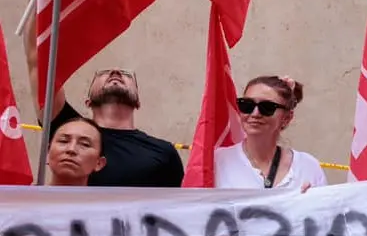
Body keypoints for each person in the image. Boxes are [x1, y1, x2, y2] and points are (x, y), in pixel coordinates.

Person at [26, 23, 184, 185]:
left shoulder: (163, 152)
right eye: (102, 74)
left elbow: (177, 206)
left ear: (137, 102)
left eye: (126, 75)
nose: (115, 71)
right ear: (88, 101)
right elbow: (38, 59)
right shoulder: (69, 129)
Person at [213, 77, 326, 190]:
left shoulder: (308, 167)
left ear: (287, 118)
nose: (255, 113)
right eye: (247, 105)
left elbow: (326, 207)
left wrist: (308, 201)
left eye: (267, 107)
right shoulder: (217, 161)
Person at [45, 116, 106, 187]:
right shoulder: (30, 196)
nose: (71, 149)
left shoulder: (112, 198)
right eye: (63, 141)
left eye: (85, 144)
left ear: (99, 163)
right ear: (47, 153)